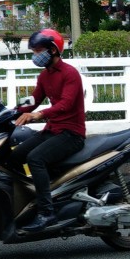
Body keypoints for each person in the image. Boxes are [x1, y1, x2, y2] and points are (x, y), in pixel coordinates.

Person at [10, 28, 86, 232]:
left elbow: (65, 104)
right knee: (15, 157)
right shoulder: (45, 76)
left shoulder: (70, 73)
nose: (35, 55)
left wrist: (38, 115)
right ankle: (28, 199)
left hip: (71, 133)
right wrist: (13, 112)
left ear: (52, 50)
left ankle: (47, 212)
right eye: (34, 51)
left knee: (35, 158)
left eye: (38, 51)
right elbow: (34, 99)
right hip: (52, 130)